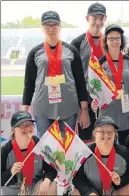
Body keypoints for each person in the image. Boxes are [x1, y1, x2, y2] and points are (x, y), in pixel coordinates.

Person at [22, 10, 90, 138]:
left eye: (54, 25)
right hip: (43, 108)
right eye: (47, 25)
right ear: (42, 27)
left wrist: (84, 110)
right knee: (46, 147)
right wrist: (24, 114)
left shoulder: (71, 50)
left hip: (68, 107)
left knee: (67, 147)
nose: (51, 28)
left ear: (60, 27)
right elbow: (29, 84)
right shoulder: (35, 53)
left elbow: (80, 82)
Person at [91, 24, 129, 145]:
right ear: (106, 41)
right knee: (108, 147)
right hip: (107, 113)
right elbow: (94, 88)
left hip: (127, 113)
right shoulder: (99, 64)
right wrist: (93, 101)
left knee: (128, 148)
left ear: (122, 40)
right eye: (111, 38)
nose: (115, 41)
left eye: (117, 38)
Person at [72, 115, 129, 195]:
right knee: (75, 193)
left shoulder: (124, 153)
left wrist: (121, 180)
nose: (106, 135)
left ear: (115, 135)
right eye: (101, 131)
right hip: (94, 191)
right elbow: (77, 179)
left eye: (110, 132)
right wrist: (89, 192)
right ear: (94, 134)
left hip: (115, 192)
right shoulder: (85, 154)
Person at [71, 2, 107, 142]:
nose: (98, 22)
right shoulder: (77, 43)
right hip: (86, 98)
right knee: (86, 139)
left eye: (101, 18)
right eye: (94, 18)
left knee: (105, 136)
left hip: (106, 98)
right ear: (87, 18)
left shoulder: (110, 42)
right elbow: (75, 78)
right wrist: (82, 108)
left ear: (105, 19)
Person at [1, 111, 57, 195]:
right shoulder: (5, 150)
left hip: (34, 187)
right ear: (13, 130)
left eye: (30, 124)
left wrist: (46, 182)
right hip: (13, 191)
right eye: (22, 125)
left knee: (51, 185)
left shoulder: (39, 145)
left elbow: (52, 170)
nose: (27, 128)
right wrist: (11, 172)